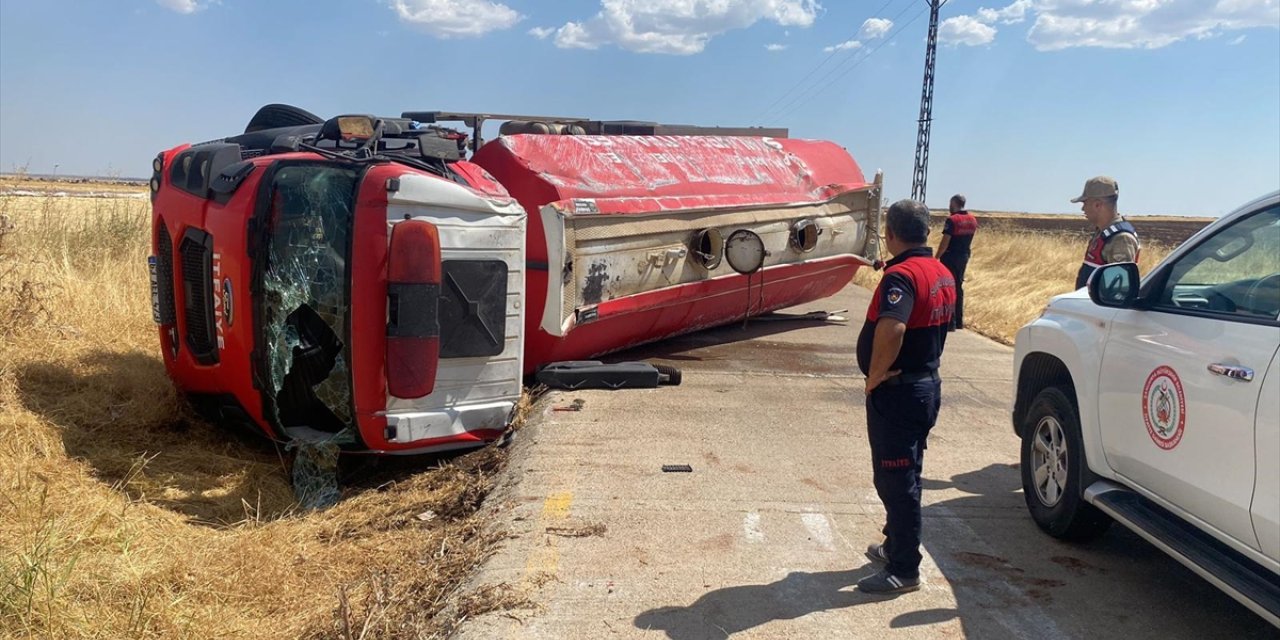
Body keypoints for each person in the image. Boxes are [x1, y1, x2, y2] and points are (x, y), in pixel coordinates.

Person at [855, 199, 956, 595]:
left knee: (896, 480)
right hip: (925, 385)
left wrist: (875, 375)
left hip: (899, 393)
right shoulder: (942, 272)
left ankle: (904, 568)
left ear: (891, 234)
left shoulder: (902, 276)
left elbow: (893, 328)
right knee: (907, 471)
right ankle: (895, 544)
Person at [1072, 176, 1140, 289]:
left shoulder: (1120, 238)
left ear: (1097, 205)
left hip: (1099, 306)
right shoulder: (1103, 232)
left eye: (1084, 203)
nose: (1083, 209)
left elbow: (1119, 289)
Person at [935, 194, 978, 330]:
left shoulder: (952, 220)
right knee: (958, 286)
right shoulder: (972, 220)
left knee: (948, 287)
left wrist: (936, 257)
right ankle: (959, 321)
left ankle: (950, 322)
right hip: (964, 256)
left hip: (950, 257)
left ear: (954, 203)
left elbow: (945, 242)